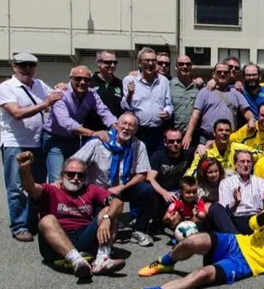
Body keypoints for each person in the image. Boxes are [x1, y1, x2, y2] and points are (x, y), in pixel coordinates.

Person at [125, 196, 264, 289]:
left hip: (246, 265)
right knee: (193, 240)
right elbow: (253, 224)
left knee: (202, 274)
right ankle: (166, 262)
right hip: (237, 243)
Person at [17, 152, 125, 278]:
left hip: (84, 237)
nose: (75, 178)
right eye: (70, 174)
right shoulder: (51, 189)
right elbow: (30, 188)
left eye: (80, 175)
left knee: (110, 211)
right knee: (47, 220)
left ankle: (101, 259)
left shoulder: (91, 189)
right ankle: (77, 261)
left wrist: (107, 219)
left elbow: (118, 202)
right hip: (56, 242)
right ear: (62, 176)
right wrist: (25, 169)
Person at [0, 52, 63, 242]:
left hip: (37, 143)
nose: (27, 68)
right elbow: (16, 113)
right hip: (15, 144)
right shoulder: (7, 87)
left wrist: (61, 86)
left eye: (31, 65)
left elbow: (56, 95)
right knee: (16, 187)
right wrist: (46, 104)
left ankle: (34, 223)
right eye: (22, 65)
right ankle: (19, 226)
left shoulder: (39, 85)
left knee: (37, 187)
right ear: (14, 67)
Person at [70, 113, 156, 247]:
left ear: (136, 130)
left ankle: (140, 229)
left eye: (131, 125)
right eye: (124, 124)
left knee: (146, 189)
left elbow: (142, 174)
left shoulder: (138, 145)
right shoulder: (98, 142)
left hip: (123, 187)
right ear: (117, 125)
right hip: (99, 190)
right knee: (102, 228)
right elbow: (74, 163)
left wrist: (121, 187)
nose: (126, 128)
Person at [43, 66, 117, 182]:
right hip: (55, 139)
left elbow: (104, 111)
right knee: (57, 178)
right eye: (78, 79)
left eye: (86, 79)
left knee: (74, 176)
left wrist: (117, 127)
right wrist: (92, 133)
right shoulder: (60, 94)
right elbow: (65, 122)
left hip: (74, 139)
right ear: (70, 78)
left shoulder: (92, 94)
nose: (82, 82)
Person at [184, 62, 254, 148]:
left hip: (228, 137)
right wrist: (188, 134)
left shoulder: (236, 93)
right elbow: (195, 114)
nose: (222, 74)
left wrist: (251, 120)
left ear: (229, 74)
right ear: (214, 74)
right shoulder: (204, 92)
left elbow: (246, 112)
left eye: (225, 72)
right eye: (219, 72)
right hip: (206, 137)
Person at [121, 48, 174, 156]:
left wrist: (167, 112)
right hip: (138, 132)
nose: (150, 63)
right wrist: (130, 94)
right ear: (139, 63)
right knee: (137, 162)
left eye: (153, 61)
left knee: (156, 164)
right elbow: (125, 107)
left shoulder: (163, 81)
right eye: (146, 60)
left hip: (158, 131)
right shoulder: (130, 80)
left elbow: (169, 105)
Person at [207, 150, 264, 234]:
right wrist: (236, 203)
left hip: (256, 220)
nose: (245, 165)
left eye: (248, 162)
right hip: (236, 221)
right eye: (242, 161)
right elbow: (225, 212)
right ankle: (236, 239)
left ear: (252, 164)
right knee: (214, 207)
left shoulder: (261, 182)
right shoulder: (226, 183)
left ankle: (237, 240)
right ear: (235, 164)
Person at [147, 128, 196, 212]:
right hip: (161, 192)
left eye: (178, 141)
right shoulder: (158, 156)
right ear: (165, 142)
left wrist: (201, 146)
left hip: (179, 191)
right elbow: (150, 178)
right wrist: (164, 193)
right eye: (171, 141)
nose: (175, 144)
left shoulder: (188, 153)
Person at [189, 119, 258, 176]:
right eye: (220, 130)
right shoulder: (205, 153)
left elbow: (260, 154)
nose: (224, 133)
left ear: (230, 133)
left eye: (227, 130)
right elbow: (192, 174)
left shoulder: (237, 148)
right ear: (214, 133)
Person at [86, 50, 123, 131]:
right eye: (108, 62)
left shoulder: (120, 84)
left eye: (114, 62)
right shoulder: (88, 82)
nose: (112, 65)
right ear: (99, 63)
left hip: (113, 131)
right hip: (92, 131)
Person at [169, 55, 204, 141]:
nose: (184, 66)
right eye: (181, 64)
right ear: (176, 67)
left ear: (191, 66)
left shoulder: (198, 86)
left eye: (187, 64)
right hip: (174, 135)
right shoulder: (169, 85)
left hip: (194, 135)